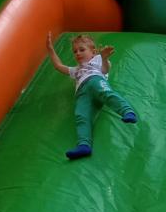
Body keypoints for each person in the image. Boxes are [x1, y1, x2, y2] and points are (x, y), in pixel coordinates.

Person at [47, 32, 138, 161]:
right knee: (81, 115)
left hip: (95, 80)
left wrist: (104, 58)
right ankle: (84, 145)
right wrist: (50, 49)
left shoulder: (97, 60)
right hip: (81, 93)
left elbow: (105, 70)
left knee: (107, 94)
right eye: (75, 51)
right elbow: (58, 66)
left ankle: (127, 111)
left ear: (93, 52)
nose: (78, 53)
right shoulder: (76, 70)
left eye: (82, 49)